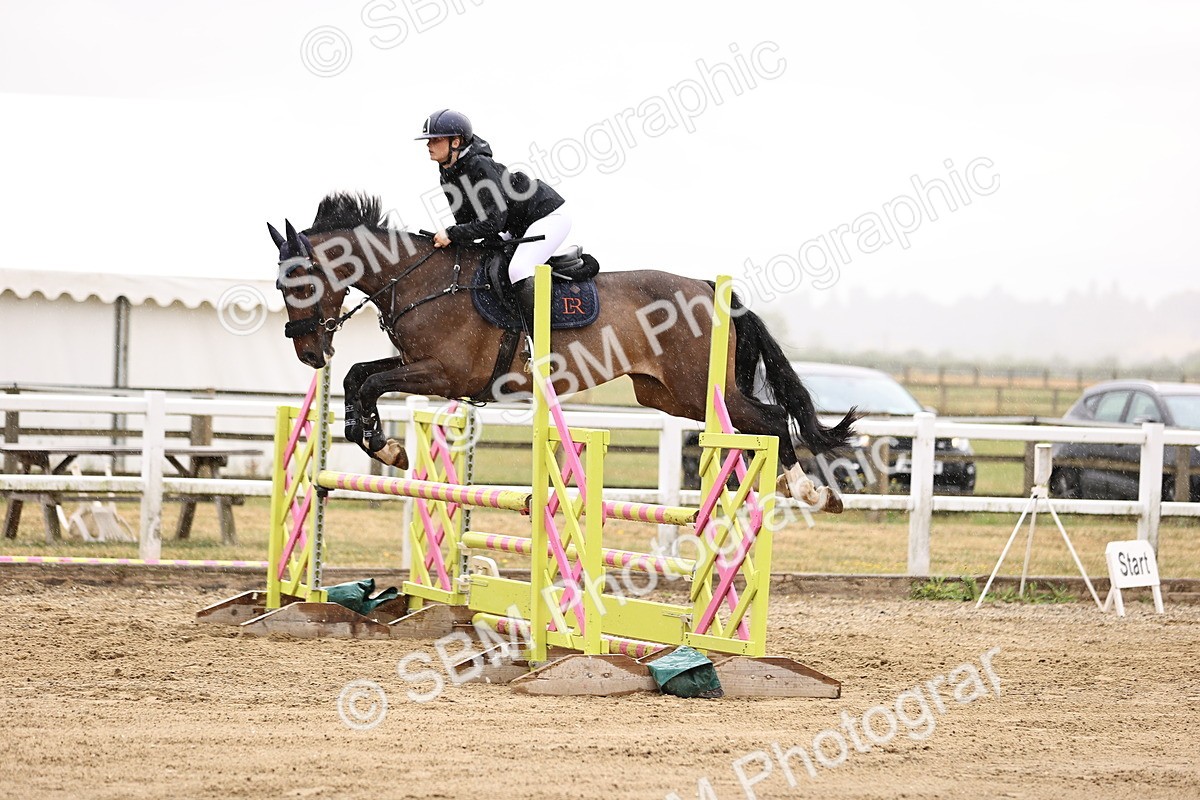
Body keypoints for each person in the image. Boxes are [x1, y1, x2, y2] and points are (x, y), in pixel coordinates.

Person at [415, 109, 570, 327]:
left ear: (456, 142)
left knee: (518, 270)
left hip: (547, 216)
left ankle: (540, 340)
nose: (428, 145)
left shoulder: (479, 165)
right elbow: (466, 223)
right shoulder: (447, 173)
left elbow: (493, 222)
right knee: (486, 264)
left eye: (435, 139)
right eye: (428, 140)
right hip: (516, 226)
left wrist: (451, 233)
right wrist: (451, 239)